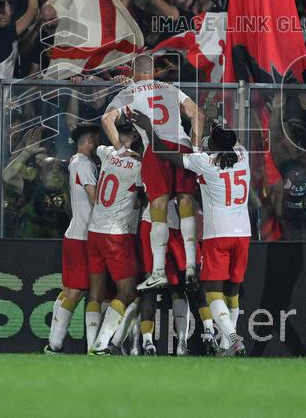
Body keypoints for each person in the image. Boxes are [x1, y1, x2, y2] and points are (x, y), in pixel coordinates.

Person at [103, 54, 204, 291]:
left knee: (158, 206)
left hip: (155, 149)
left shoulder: (129, 92)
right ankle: (191, 265)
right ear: (153, 70)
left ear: (133, 72)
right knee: (186, 202)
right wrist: (196, 148)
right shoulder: (171, 88)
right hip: (182, 144)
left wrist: (121, 150)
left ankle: (158, 271)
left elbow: (107, 120)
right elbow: (198, 114)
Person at [180, 123, 251, 357]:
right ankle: (224, 347)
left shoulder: (205, 163)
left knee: (212, 293)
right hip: (243, 233)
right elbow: (230, 142)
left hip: (218, 234)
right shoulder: (244, 155)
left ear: (213, 146)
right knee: (233, 292)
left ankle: (233, 338)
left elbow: (177, 157)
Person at [84, 123, 143, 355]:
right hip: (117, 234)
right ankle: (102, 344)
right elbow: (142, 198)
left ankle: (90, 346)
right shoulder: (139, 166)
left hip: (95, 230)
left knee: (96, 294)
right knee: (127, 292)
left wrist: (119, 147)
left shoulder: (107, 153)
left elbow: (99, 147)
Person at [47, 124, 100, 352]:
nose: (98, 145)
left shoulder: (77, 162)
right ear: (89, 141)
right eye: (96, 141)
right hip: (83, 236)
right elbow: (95, 198)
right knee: (77, 291)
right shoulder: (84, 164)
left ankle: (53, 343)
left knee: (69, 290)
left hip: (75, 233)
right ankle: (55, 344)